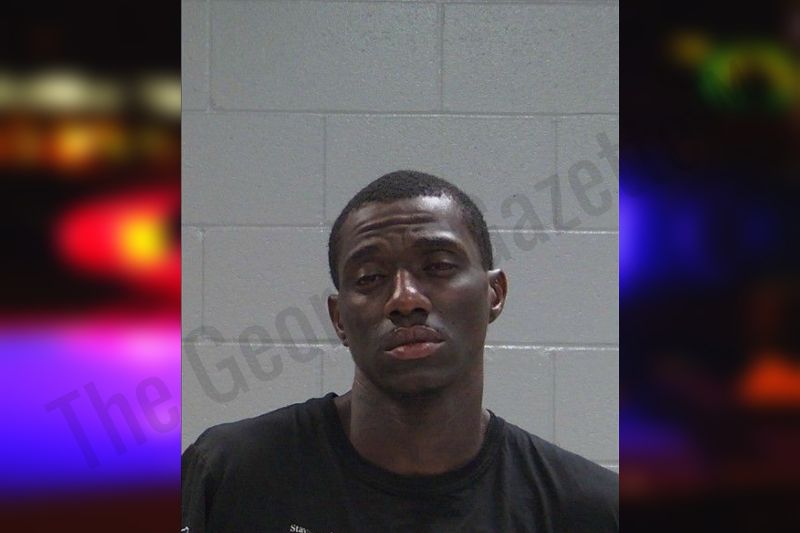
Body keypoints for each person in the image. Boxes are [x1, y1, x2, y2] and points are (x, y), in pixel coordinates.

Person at [181, 170, 618, 532]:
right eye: (370, 277)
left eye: (439, 266)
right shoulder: (229, 475)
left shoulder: (588, 510)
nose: (405, 299)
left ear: (494, 294)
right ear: (338, 318)